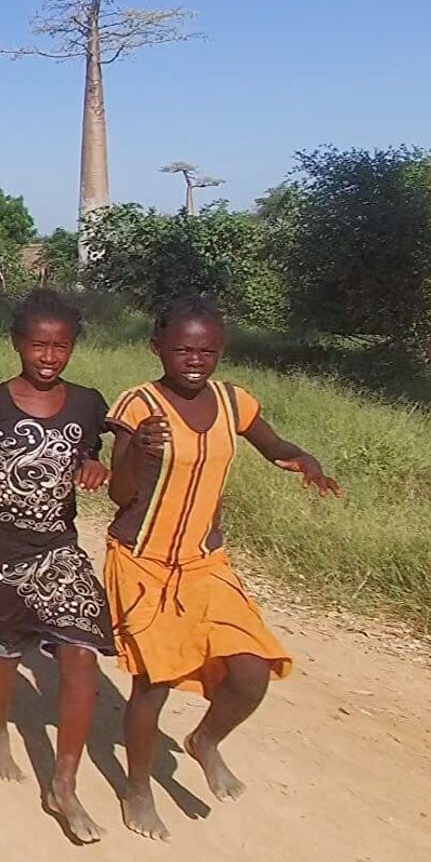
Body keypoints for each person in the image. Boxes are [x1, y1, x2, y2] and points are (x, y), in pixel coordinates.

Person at [106, 296, 340, 841]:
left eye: (206, 350)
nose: (194, 359)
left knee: (252, 670)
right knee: (154, 681)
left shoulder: (235, 402)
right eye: (183, 349)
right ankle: (137, 789)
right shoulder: (138, 405)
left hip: (205, 562)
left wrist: (306, 461)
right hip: (143, 561)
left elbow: (274, 445)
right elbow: (120, 495)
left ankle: (205, 741)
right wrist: (136, 451)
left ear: (221, 352)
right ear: (157, 347)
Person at [0, 292, 112, 843]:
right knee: (6, 653)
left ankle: (64, 782)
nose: (50, 356)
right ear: (17, 345)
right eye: (39, 344)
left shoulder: (86, 402)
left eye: (61, 346)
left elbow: (93, 452)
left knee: (81, 655)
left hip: (58, 548)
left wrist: (96, 465)